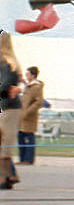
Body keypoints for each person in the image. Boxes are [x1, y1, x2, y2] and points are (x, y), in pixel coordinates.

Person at [0, 32, 21, 189]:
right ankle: (10, 175)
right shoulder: (12, 63)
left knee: (4, 144)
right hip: (11, 107)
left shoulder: (6, 64)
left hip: (9, 107)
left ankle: (4, 178)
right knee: (5, 144)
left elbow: (6, 84)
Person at [18, 66, 43, 165]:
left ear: (32, 75)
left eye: (27, 74)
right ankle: (22, 158)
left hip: (29, 118)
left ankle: (28, 159)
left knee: (29, 138)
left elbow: (39, 102)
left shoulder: (37, 87)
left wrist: (28, 111)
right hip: (22, 117)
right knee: (21, 137)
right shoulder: (28, 86)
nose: (26, 76)